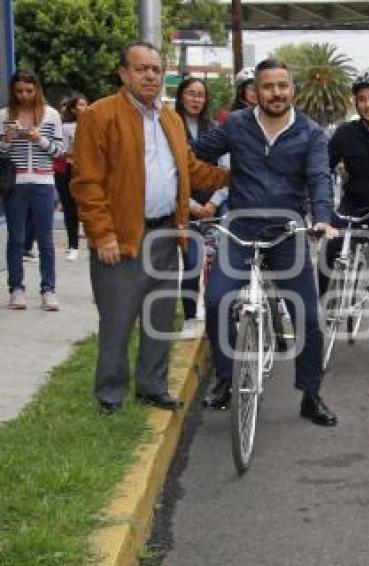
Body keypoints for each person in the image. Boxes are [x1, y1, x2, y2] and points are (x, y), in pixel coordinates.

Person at [71, 41, 229, 415]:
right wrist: (102, 233)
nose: (150, 76)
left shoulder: (169, 119)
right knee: (118, 320)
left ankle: (151, 386)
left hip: (164, 234)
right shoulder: (100, 115)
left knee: (159, 317)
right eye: (141, 69)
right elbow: (86, 182)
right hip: (122, 237)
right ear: (123, 73)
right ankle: (110, 396)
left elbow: (190, 170)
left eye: (156, 69)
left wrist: (233, 176)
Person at [192, 58, 338, 427]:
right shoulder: (236, 125)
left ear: (293, 89)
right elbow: (197, 153)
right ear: (255, 91)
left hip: (287, 233)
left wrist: (322, 218)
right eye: (268, 86)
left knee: (306, 314)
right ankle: (226, 379)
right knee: (215, 299)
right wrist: (218, 181)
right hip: (240, 229)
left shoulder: (311, 132)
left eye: (282, 86)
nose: (276, 93)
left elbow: (321, 178)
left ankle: (310, 394)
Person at [318, 71, 369, 356]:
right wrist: (323, 203)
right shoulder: (345, 132)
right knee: (328, 251)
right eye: (362, 99)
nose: (367, 105)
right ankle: (314, 317)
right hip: (352, 207)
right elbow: (323, 168)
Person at [1, 69, 65, 311]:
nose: (24, 95)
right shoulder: (4, 115)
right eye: (19, 91)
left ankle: (48, 290)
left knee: (45, 239)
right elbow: (1, 154)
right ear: (12, 91)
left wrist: (39, 139)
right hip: (15, 184)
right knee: (15, 239)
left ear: (37, 90)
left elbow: (60, 152)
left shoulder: (51, 115)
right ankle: (16, 289)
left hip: (43, 183)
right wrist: (7, 138)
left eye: (29, 91)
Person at [174, 76, 228, 338]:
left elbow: (226, 170)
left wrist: (214, 202)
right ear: (181, 96)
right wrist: (192, 206)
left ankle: (216, 317)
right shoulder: (170, 127)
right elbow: (169, 174)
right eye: (191, 93)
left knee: (218, 267)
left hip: (214, 207)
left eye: (200, 95)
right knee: (192, 264)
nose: (196, 99)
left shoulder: (216, 129)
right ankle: (190, 317)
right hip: (184, 209)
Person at [55, 92, 88, 261]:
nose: (84, 108)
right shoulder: (67, 127)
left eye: (85, 104)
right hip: (69, 170)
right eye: (80, 105)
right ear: (74, 109)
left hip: (88, 171)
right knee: (70, 209)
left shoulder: (94, 125)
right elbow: (63, 152)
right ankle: (73, 245)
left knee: (91, 207)